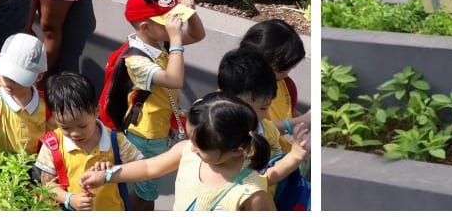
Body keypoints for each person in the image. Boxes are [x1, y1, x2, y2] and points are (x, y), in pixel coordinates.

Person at [101, 0, 207, 211]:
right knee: (147, 191)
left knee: (145, 185)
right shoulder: (135, 61)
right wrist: (176, 39)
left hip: (159, 127)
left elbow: (198, 35)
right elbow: (174, 80)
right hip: (146, 135)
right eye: (167, 21)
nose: (174, 24)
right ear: (146, 27)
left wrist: (192, 14)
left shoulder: (159, 41)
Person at [80, 92, 275, 211]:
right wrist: (108, 175)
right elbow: (150, 167)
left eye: (201, 148)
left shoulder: (250, 193)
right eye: (190, 138)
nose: (192, 147)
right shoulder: (188, 151)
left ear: (237, 149)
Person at [34, 72, 142, 211]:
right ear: (55, 118)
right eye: (65, 127)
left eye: (82, 126)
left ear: (97, 110)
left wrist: (113, 171)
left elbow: (141, 167)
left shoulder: (115, 140)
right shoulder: (52, 145)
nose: (75, 133)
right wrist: (69, 199)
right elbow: (47, 184)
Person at [216, 49, 311, 203]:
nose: (264, 114)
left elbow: (272, 163)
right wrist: (294, 157)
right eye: (261, 108)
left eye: (266, 107)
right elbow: (252, 183)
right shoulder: (213, 131)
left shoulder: (266, 130)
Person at [239, 20, 310, 132]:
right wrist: (303, 120)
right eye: (282, 71)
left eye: (290, 69)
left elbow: (289, 111)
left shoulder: (285, 85)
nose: (286, 75)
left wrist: (306, 120)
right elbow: (258, 130)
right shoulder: (240, 91)